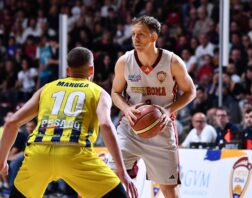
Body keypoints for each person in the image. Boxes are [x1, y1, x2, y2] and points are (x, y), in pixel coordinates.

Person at [0, 47, 137, 198]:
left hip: (39, 153)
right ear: (91, 70)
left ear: (67, 70)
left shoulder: (46, 89)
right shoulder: (99, 93)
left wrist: (2, 160)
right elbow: (105, 125)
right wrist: (122, 170)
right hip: (75, 153)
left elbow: (12, 122)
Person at [111, 15, 196, 198]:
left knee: (169, 189)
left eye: (141, 34)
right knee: (109, 177)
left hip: (161, 128)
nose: (135, 38)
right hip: (131, 127)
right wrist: (126, 109)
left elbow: (191, 92)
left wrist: (169, 109)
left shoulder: (172, 62)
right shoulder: (124, 62)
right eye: (134, 34)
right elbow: (115, 93)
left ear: (153, 37)